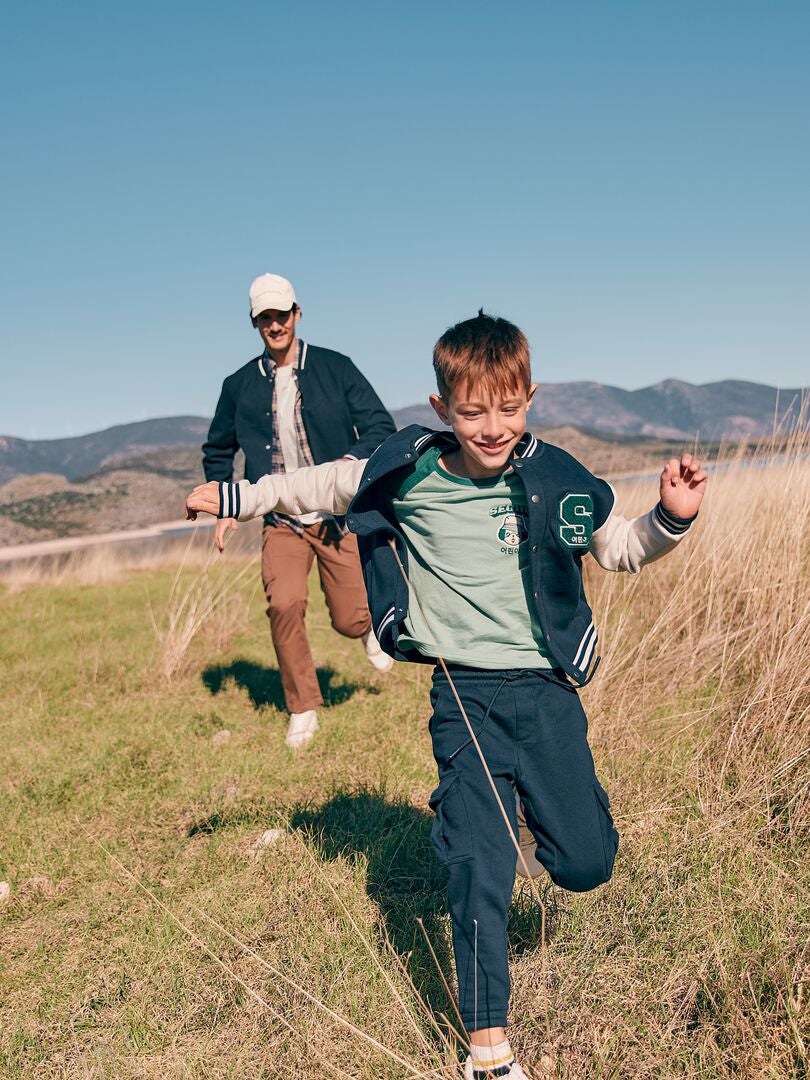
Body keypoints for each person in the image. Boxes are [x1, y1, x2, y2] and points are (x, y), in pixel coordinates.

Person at [188, 311, 708, 1077]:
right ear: (442, 410)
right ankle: (486, 1046)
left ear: (529, 398)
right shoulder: (408, 469)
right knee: (478, 863)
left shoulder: (559, 476)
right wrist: (235, 498)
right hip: (462, 696)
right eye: (471, 411)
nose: (491, 426)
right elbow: (314, 483)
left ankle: (530, 829)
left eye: (507, 408)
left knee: (588, 864)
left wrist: (670, 519)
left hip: (547, 693)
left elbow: (620, 547)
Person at [202, 273, 396, 749]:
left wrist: (349, 466)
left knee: (350, 618)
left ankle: (368, 628)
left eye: (281, 315)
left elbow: (379, 424)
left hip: (333, 515)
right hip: (280, 520)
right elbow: (218, 448)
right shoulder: (238, 385)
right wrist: (228, 503)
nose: (275, 325)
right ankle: (303, 707)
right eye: (265, 318)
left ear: (297, 314)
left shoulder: (336, 367)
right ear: (255, 323)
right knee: (284, 603)